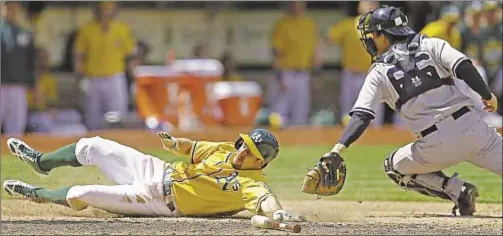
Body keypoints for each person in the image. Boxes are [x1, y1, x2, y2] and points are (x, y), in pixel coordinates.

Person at [309, 6, 501, 216]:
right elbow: (463, 65)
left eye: (373, 35)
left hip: (435, 145)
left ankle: (459, 191)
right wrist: (487, 94)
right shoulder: (432, 43)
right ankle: (461, 192)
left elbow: (362, 116)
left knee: (394, 166)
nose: (371, 40)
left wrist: (337, 150)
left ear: (383, 36)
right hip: (474, 129)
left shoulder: (379, 71)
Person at [3, 128, 299, 221]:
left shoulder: (252, 183)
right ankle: (41, 162)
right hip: (159, 170)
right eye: (244, 145)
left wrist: (278, 215)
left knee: (82, 194)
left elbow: (265, 201)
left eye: (250, 153)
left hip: (158, 201)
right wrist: (173, 144)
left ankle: (36, 194)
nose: (242, 151)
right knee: (93, 146)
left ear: (261, 164)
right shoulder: (224, 149)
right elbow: (191, 148)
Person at [318, 1, 389, 127]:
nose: (369, 6)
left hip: (373, 76)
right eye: (366, 3)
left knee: (374, 117)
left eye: (373, 3)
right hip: (350, 75)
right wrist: (319, 54)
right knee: (348, 115)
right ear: (359, 6)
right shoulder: (348, 24)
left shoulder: (383, 27)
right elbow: (327, 39)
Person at [74, 1, 136, 130]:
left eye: (109, 9)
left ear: (115, 11)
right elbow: (79, 55)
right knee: (92, 118)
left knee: (117, 116)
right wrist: (80, 78)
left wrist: (134, 76)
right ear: (97, 10)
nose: (106, 12)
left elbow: (130, 55)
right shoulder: (87, 29)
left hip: (115, 77)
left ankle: (117, 146)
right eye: (103, 9)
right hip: (93, 78)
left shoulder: (121, 28)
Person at [269, 1, 319, 127]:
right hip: (286, 73)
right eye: (294, 4)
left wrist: (315, 73)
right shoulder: (282, 24)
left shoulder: (309, 24)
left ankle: (300, 143)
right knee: (280, 114)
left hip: (303, 73)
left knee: (301, 114)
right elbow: (276, 52)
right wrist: (279, 76)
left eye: (300, 4)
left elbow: (313, 51)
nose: (297, 7)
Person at [0, 1, 37, 137]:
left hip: (18, 85)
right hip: (1, 84)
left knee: (16, 125)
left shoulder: (25, 32)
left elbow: (31, 61)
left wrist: (33, 85)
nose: (11, 9)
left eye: (14, 6)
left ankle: (14, 155)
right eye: (7, 6)